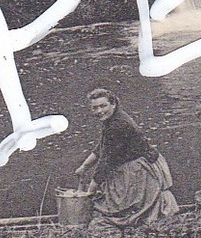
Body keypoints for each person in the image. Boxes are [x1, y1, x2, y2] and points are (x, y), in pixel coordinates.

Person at [75, 88, 179, 228]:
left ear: (113, 104)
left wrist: (90, 190)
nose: (99, 111)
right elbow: (102, 145)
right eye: (95, 108)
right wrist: (85, 166)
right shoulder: (112, 119)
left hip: (141, 167)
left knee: (127, 207)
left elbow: (106, 160)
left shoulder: (118, 124)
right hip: (133, 164)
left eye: (103, 106)